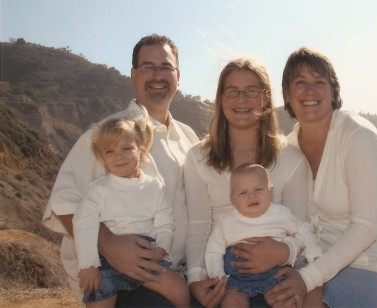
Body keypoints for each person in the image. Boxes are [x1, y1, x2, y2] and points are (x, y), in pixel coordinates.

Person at [42, 34, 199, 306]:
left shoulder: (188, 137)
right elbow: (65, 203)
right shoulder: (110, 133)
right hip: (125, 282)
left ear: (178, 75)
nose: (157, 75)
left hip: (177, 275)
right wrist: (109, 245)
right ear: (133, 75)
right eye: (148, 67)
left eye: (165, 67)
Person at [264, 47, 377, 307]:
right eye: (300, 82)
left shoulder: (358, 136)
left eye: (319, 82)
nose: (310, 91)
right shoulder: (289, 148)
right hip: (318, 262)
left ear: (333, 91)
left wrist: (307, 278)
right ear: (287, 93)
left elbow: (366, 227)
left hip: (374, 266)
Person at [184, 58, 319, 307]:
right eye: (232, 91)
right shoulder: (197, 157)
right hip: (222, 276)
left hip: (277, 271)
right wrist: (196, 278)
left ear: (266, 97)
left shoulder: (290, 158)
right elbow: (199, 226)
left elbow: (300, 225)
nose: (242, 99)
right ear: (220, 99)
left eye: (252, 91)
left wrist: (284, 251)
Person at [73, 117, 190, 307]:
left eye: (126, 149)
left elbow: (165, 222)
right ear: (102, 158)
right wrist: (89, 265)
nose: (118, 156)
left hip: (147, 257)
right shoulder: (98, 190)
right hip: (106, 262)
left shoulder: (154, 186)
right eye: (109, 151)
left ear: (141, 150)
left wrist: (162, 247)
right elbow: (83, 224)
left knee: (180, 291)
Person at [205, 163, 322, 308]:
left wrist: (313, 250)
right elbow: (214, 249)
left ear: (270, 191)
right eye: (243, 193)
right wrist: (219, 277)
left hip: (274, 273)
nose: (252, 196)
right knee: (231, 302)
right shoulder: (227, 222)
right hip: (238, 275)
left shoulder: (280, 214)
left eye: (258, 189)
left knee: (284, 299)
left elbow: (303, 230)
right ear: (233, 199)